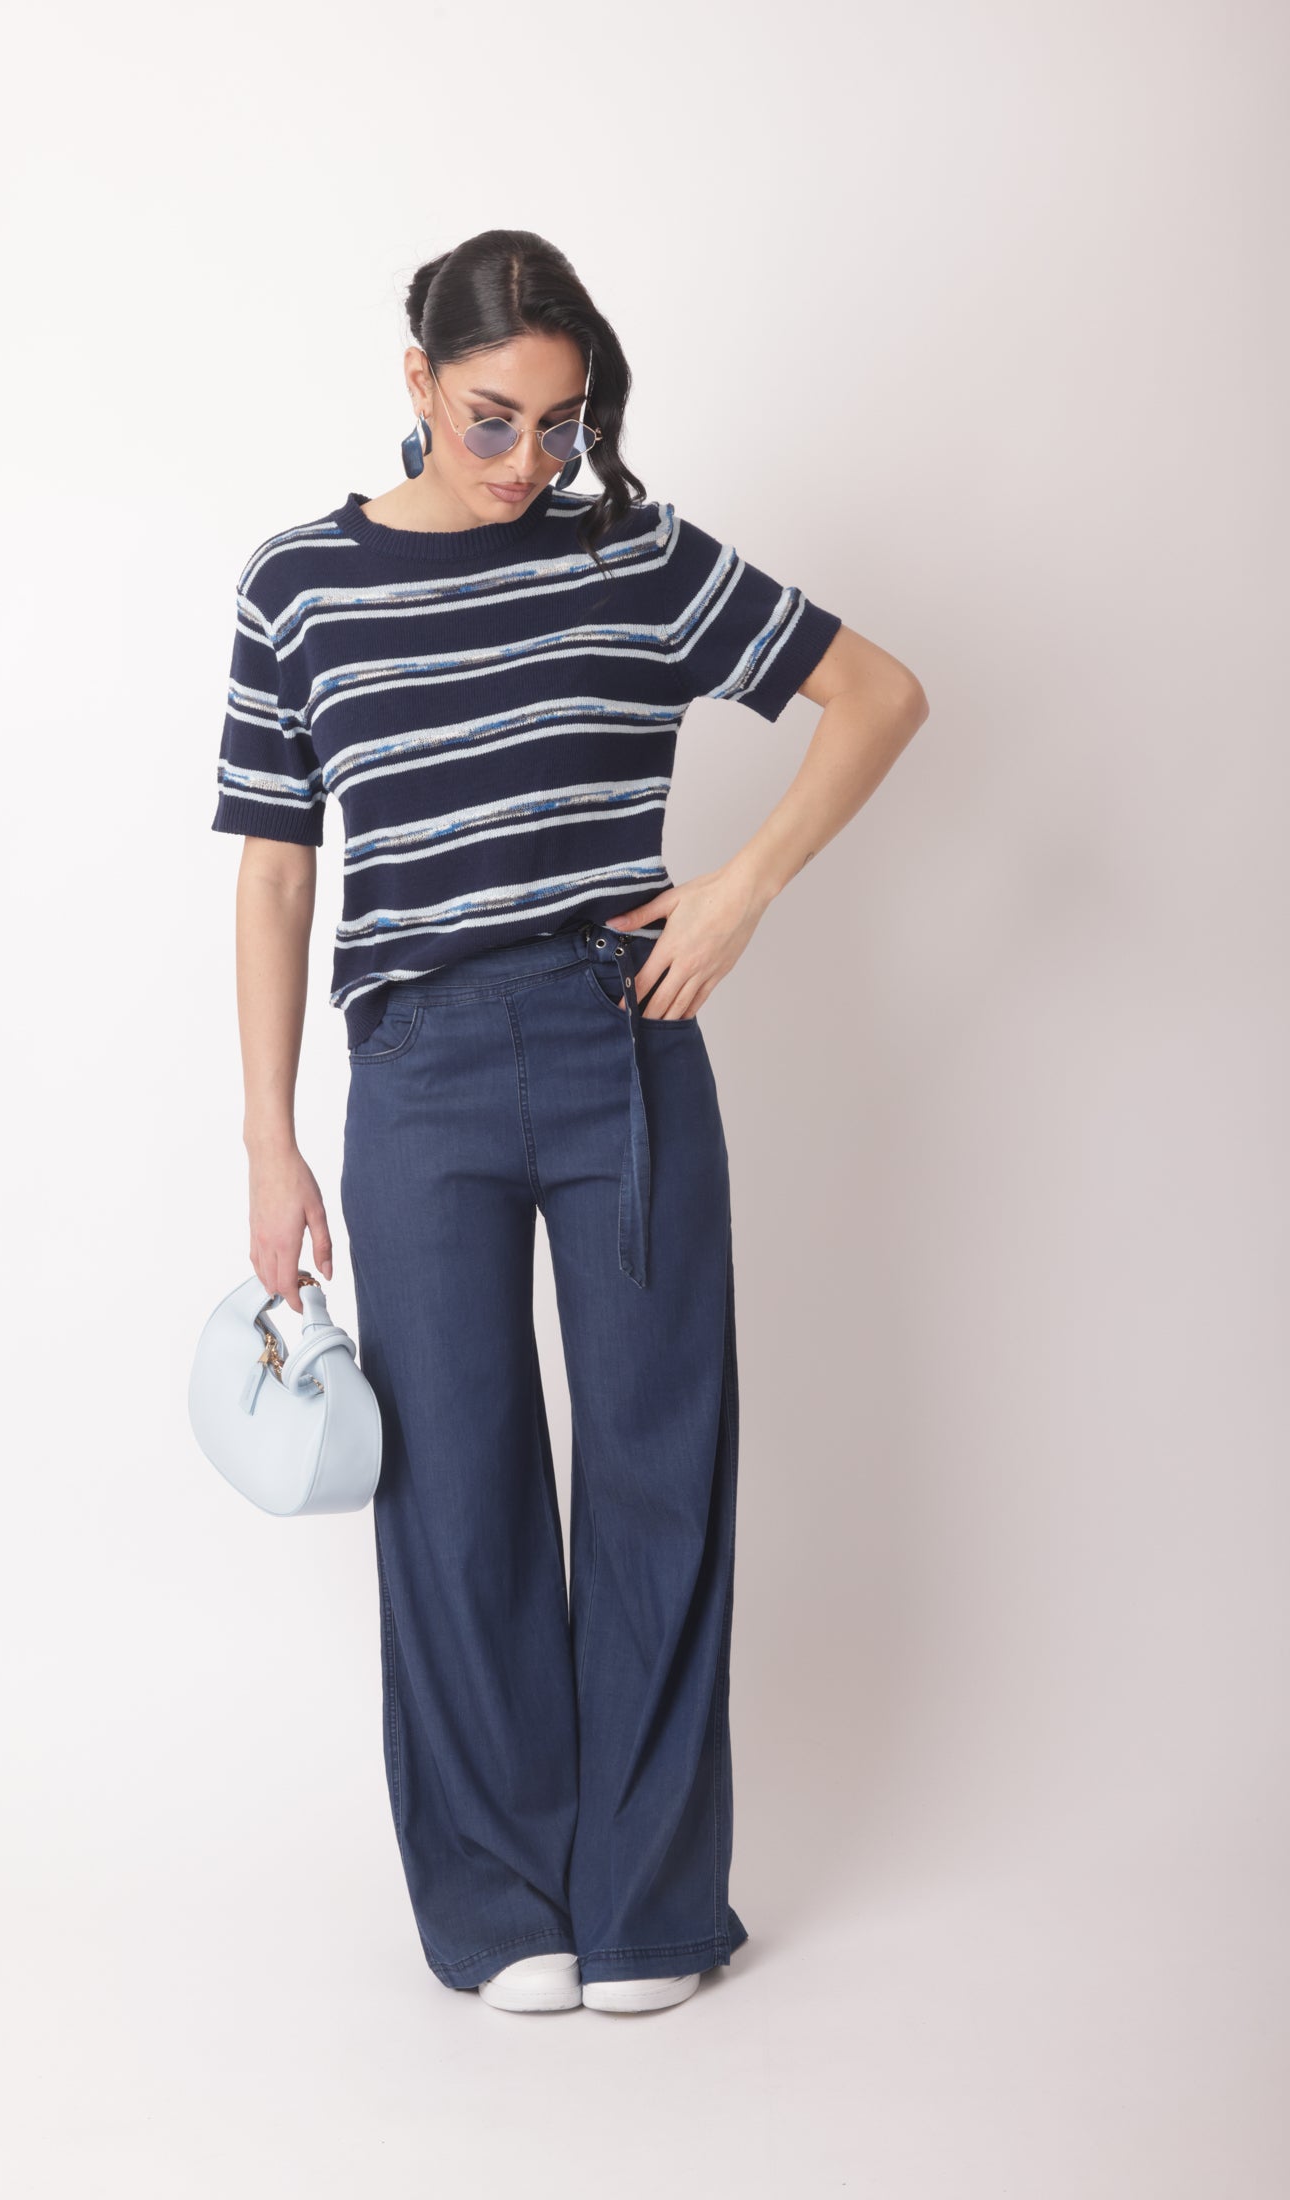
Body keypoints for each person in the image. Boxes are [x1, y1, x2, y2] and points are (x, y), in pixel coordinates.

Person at [212, 229, 929, 2016]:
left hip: (628, 1039)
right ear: (414, 380)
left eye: (561, 423)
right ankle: (498, 1899)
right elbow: (279, 877)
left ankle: (650, 1904)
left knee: (656, 1469)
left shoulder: (634, 554)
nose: (528, 460)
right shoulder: (301, 586)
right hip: (418, 1073)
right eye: (490, 419)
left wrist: (740, 889)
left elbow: (879, 695)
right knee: (452, 1484)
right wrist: (269, 1141)